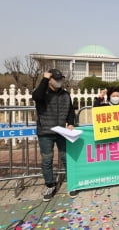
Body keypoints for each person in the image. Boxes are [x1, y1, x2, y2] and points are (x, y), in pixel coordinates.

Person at [32, 69, 78, 201]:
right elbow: (36, 97)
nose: (59, 82)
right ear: (50, 80)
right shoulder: (43, 93)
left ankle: (72, 183)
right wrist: (44, 79)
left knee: (66, 157)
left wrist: (70, 123)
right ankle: (50, 185)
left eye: (60, 79)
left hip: (61, 132)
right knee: (47, 159)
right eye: (55, 79)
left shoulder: (65, 94)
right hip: (45, 132)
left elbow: (70, 110)